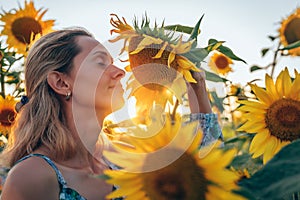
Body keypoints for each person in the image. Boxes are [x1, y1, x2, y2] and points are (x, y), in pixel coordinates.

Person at [0, 27, 221, 200]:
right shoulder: (32, 177)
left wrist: (196, 85)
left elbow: (200, 165)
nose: (120, 72)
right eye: (100, 63)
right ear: (61, 82)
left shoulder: (116, 159)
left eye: (112, 63)